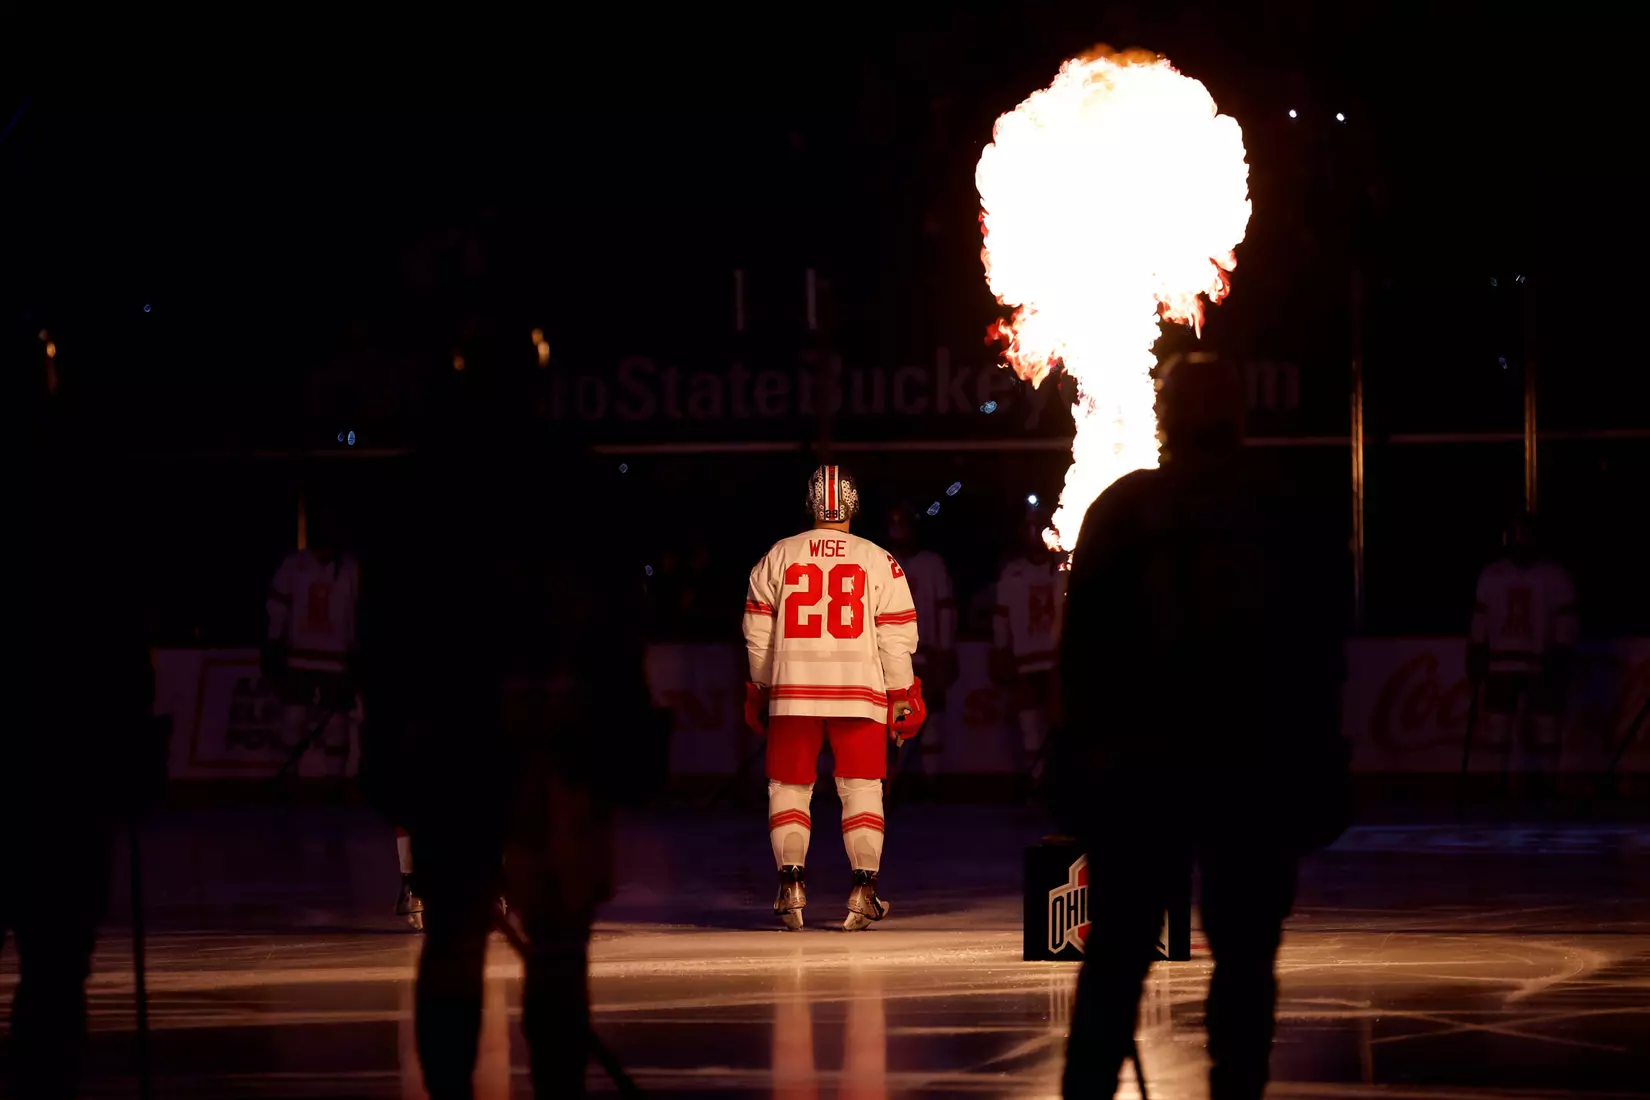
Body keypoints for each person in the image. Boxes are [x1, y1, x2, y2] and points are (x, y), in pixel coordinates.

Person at [1051, 359, 1349, 1100]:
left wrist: (1079, 759)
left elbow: (1083, 654)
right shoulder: (1284, 510)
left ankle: (1087, 1091)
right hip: (1251, 765)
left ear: (1166, 421)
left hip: (1141, 767)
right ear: (1239, 422)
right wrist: (1317, 758)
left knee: (1118, 952)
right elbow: (1319, 651)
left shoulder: (1121, 510)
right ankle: (1235, 1091)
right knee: (1247, 958)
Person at [358, 417, 666, 1099]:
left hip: (466, 746)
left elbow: (381, 628)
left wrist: (386, 740)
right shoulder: (573, 472)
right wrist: (627, 733)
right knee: (543, 948)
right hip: (542, 749)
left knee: (459, 943)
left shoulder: (424, 474)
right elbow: (617, 622)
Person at [6, 392, 165, 1099]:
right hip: (68, 772)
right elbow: (124, 660)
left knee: (60, 959)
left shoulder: (88, 554)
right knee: (59, 962)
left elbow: (124, 661)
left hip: (63, 767)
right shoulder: (95, 543)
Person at [742, 465, 927, 931]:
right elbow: (896, 634)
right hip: (858, 689)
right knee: (863, 788)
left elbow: (757, 633)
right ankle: (864, 889)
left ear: (810, 505)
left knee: (789, 787)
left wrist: (761, 686)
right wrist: (901, 692)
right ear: (854, 505)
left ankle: (790, 883)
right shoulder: (878, 558)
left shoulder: (779, 554)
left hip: (793, 690)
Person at [263, 494, 420, 926]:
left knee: (340, 747)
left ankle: (445, 878)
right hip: (308, 662)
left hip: (343, 665)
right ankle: (411, 879)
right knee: (296, 729)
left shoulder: (353, 569)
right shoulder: (298, 568)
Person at [1467, 512, 1579, 792]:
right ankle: (1506, 781)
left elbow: (1566, 621)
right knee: (1504, 725)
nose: (1522, 541)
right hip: (1514, 662)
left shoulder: (1500, 575)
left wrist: (1561, 652)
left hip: (1532, 661)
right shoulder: (1552, 576)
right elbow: (1480, 620)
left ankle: (1541, 782)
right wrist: (1477, 649)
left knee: (1541, 724)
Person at [991, 507, 1068, 786]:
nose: (1034, 534)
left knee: (1058, 724)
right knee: (1029, 724)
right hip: (1024, 660)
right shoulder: (1013, 573)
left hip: (1056, 661)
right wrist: (1001, 651)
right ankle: (1038, 783)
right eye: (1029, 528)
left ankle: (1058, 782)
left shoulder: (1062, 569)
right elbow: (1001, 617)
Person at [886, 502, 957, 780]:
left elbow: (946, 608)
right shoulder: (881, 563)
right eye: (894, 524)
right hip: (895, 659)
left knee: (932, 715)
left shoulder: (932, 563)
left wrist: (945, 650)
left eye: (903, 523)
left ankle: (931, 779)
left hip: (928, 655)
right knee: (901, 720)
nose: (899, 530)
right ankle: (899, 779)